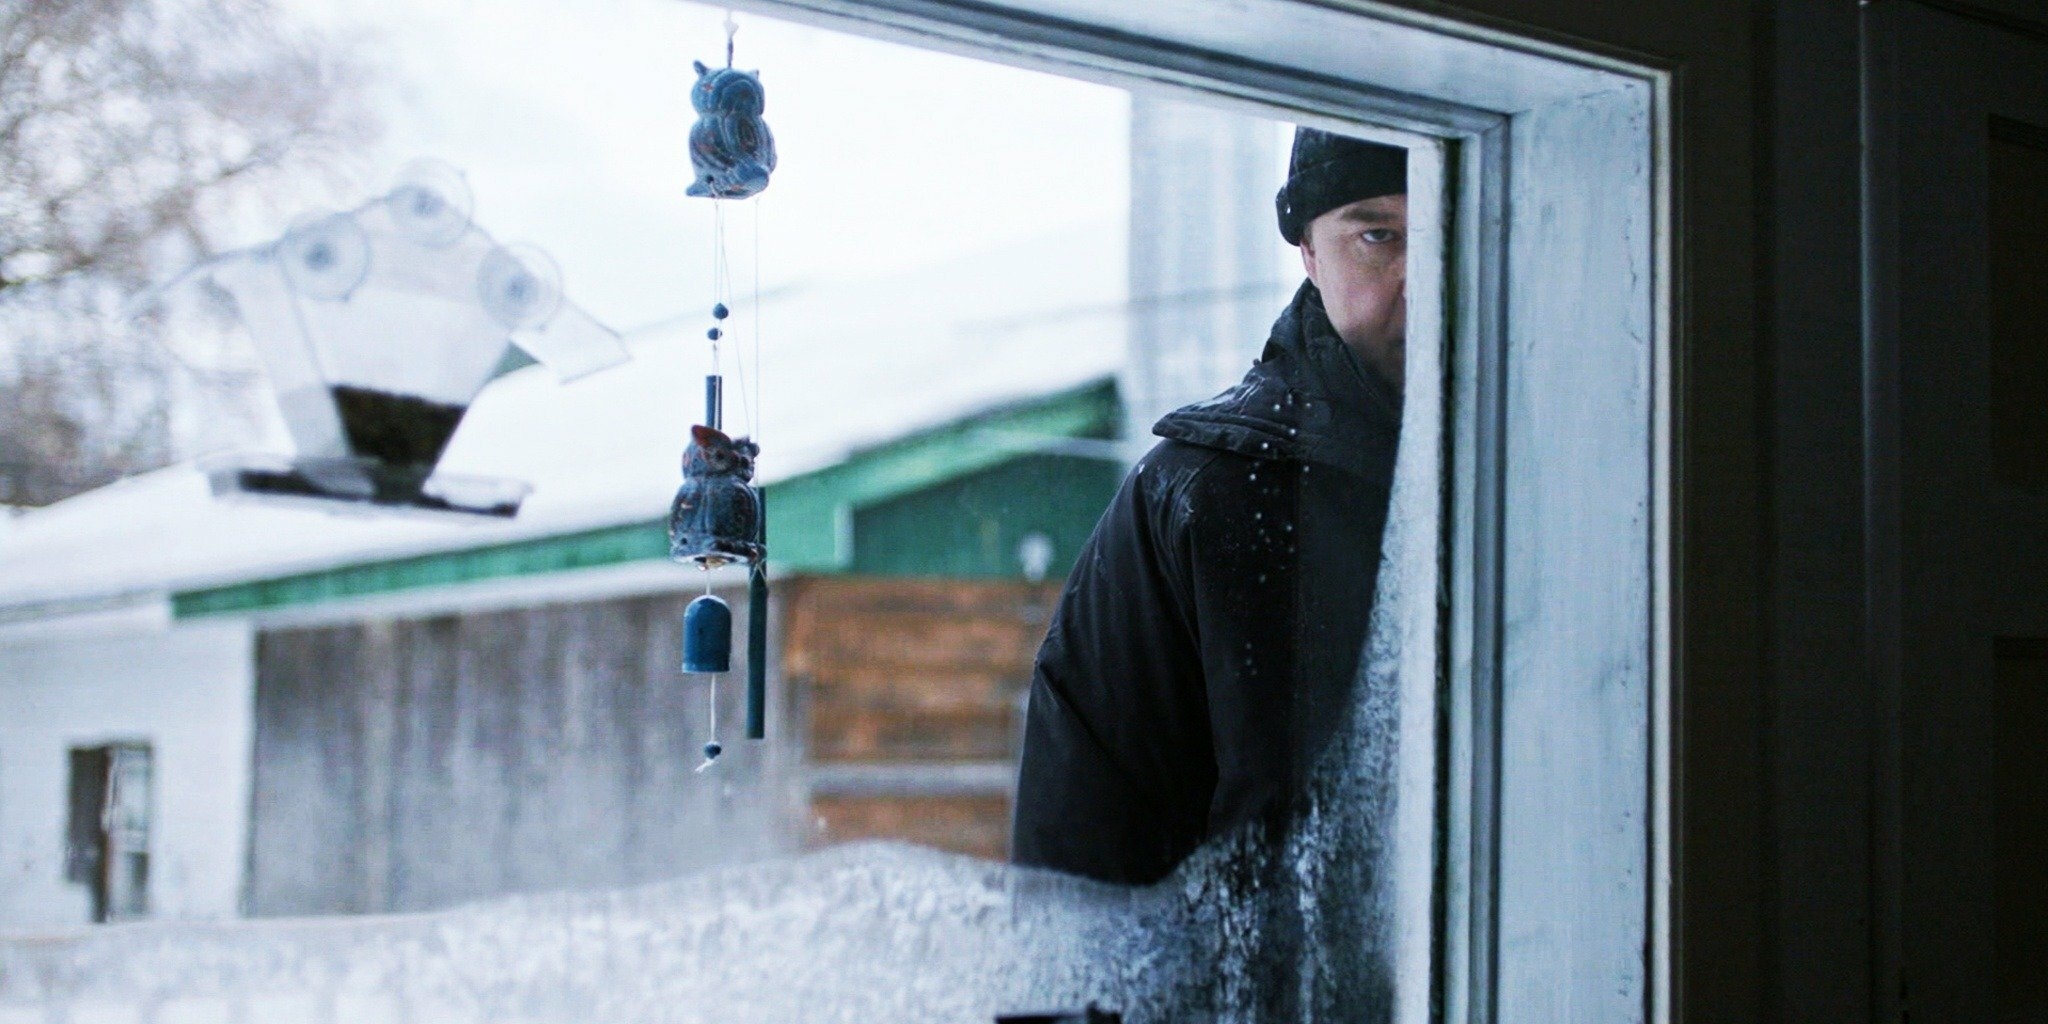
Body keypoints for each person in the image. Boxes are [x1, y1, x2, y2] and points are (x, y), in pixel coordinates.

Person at [1011, 129, 1408, 885]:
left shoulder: (1584, 467)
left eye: (1452, 228)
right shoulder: (1201, 498)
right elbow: (1083, 869)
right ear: (1310, 253)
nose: (1421, 277)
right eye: (1377, 236)